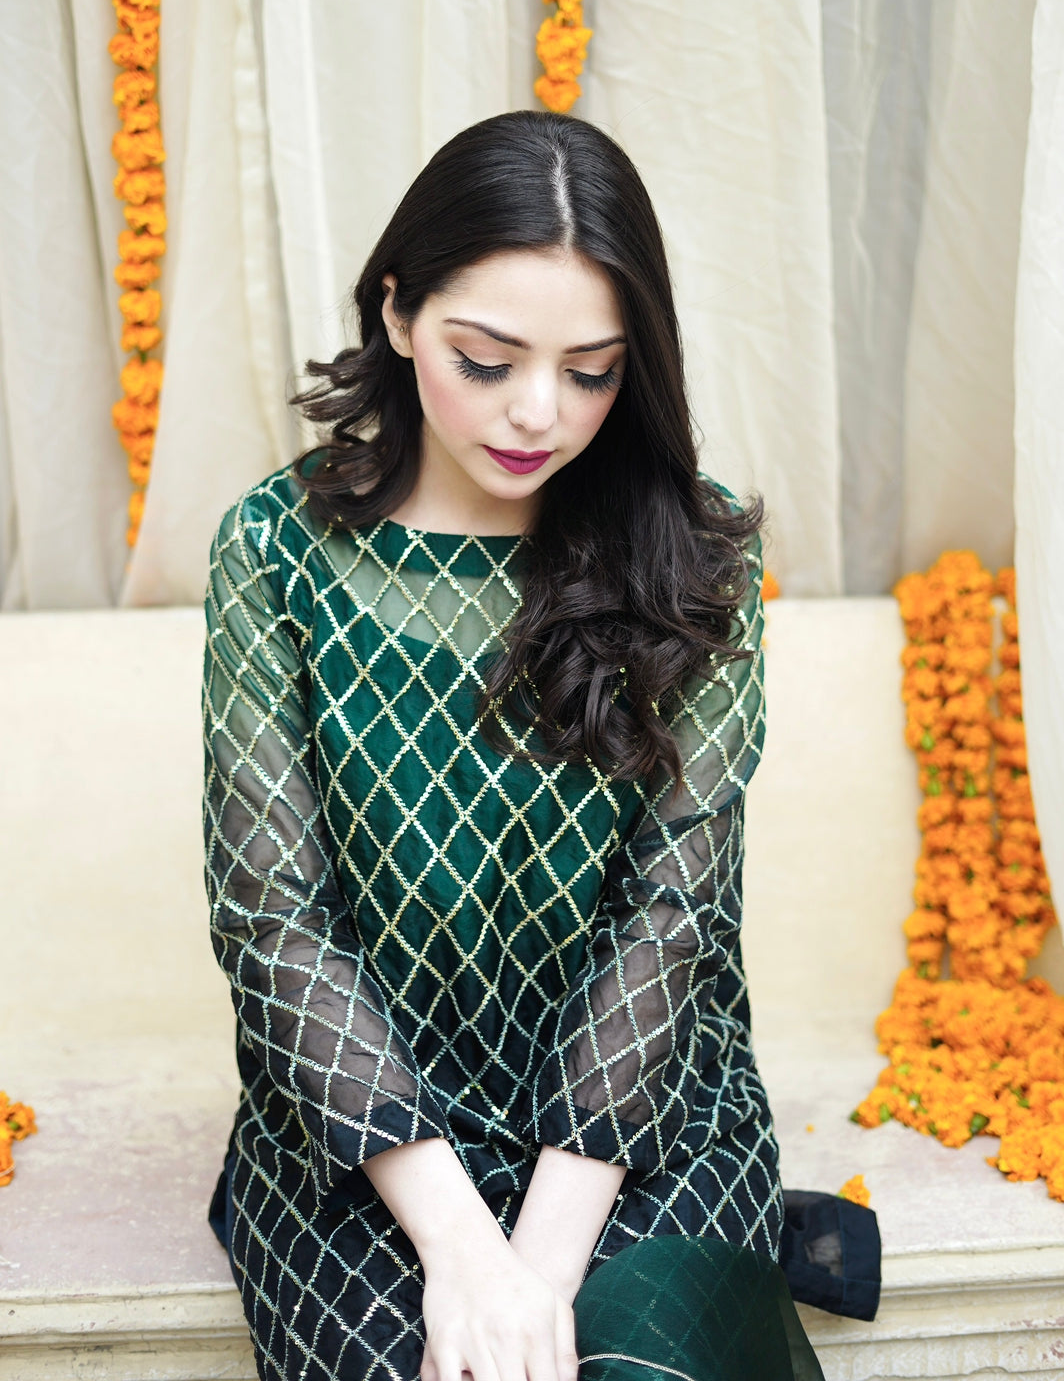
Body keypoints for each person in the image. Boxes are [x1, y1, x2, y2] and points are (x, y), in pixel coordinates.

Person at [203, 111, 863, 1381]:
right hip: (362, 1127)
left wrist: (537, 1278)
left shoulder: (696, 552)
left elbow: (670, 914)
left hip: (641, 1116)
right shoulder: (276, 550)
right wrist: (461, 1252)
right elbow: (273, 918)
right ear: (398, 312)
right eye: (486, 359)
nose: (536, 413)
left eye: (591, 371)